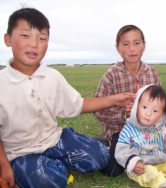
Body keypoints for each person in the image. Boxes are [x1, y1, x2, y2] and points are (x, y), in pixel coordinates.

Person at [0, 8, 133, 188]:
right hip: (21, 152)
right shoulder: (2, 83)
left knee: (100, 157)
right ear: (7, 39)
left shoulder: (52, 76)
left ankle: (55, 159)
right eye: (25, 36)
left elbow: (80, 104)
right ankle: (38, 168)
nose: (34, 44)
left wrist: (116, 99)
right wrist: (4, 166)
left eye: (42, 38)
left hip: (55, 139)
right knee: (50, 180)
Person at [94, 24, 166, 176]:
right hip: (121, 132)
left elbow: (162, 108)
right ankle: (103, 143)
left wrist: (160, 130)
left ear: (144, 45)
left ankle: (146, 158)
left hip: (151, 132)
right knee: (112, 170)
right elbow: (98, 111)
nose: (131, 49)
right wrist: (124, 114)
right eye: (125, 44)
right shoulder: (110, 76)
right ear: (117, 47)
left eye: (136, 43)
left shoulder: (151, 74)